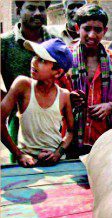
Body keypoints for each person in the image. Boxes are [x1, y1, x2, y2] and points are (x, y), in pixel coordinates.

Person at [1, 38, 74, 168]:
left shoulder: (64, 95)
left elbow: (71, 132)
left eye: (42, 60)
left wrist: (58, 153)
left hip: (56, 163)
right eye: (35, 56)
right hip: (27, 162)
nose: (34, 62)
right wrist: (19, 154)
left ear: (58, 72)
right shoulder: (23, 85)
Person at [68, 4, 112, 154]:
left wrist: (110, 106)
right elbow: (52, 95)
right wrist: (67, 98)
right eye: (87, 28)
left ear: (105, 31)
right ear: (77, 28)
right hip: (70, 138)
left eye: (97, 30)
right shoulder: (66, 57)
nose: (92, 35)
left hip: (105, 139)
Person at [1, 1, 57, 161]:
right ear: (19, 10)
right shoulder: (4, 43)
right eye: (31, 8)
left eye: (42, 8)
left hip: (51, 123)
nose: (38, 13)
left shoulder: (54, 41)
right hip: (19, 124)